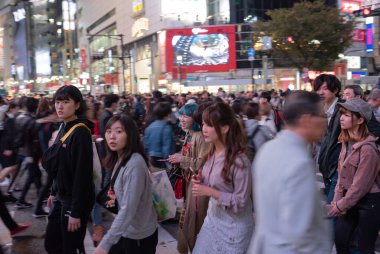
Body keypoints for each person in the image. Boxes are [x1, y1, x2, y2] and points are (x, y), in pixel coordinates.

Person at [248, 91, 332, 254]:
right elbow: (298, 233)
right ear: (306, 119)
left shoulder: (268, 148)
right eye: (321, 116)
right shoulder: (298, 162)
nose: (324, 122)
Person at [191, 102, 254, 254]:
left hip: (234, 228)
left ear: (224, 128)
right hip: (212, 220)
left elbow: (240, 202)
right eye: (203, 124)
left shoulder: (239, 161)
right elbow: (216, 184)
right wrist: (201, 180)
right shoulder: (212, 152)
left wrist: (209, 191)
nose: (204, 129)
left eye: (209, 125)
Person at [94, 115, 157, 254]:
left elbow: (128, 208)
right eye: (109, 131)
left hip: (139, 237)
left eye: (119, 131)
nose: (112, 136)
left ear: (130, 135)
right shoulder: (120, 157)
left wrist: (105, 244)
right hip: (126, 230)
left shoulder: (134, 163)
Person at [43, 85, 95, 254]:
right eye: (58, 101)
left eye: (66, 102)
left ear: (77, 105)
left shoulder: (80, 132)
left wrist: (75, 211)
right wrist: (53, 191)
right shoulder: (64, 127)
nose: (60, 106)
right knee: (52, 243)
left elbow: (82, 174)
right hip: (61, 196)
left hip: (73, 200)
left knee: (70, 247)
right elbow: (60, 167)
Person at [328, 98, 380, 253]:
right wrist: (337, 200)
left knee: (364, 247)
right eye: (341, 114)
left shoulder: (368, 149)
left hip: (370, 201)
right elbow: (341, 176)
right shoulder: (345, 142)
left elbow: (360, 186)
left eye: (347, 115)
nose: (341, 118)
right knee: (340, 239)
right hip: (349, 198)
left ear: (360, 119)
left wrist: (339, 205)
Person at [167, 103, 209, 254]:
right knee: (188, 220)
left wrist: (182, 159)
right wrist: (178, 159)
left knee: (195, 221)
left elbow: (202, 164)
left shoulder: (200, 137)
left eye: (186, 115)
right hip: (188, 183)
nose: (182, 119)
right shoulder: (189, 134)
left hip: (197, 186)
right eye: (181, 115)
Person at [314, 74, 342, 205]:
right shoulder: (319, 110)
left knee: (332, 207)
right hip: (325, 165)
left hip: (340, 167)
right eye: (318, 88)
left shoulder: (344, 109)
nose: (320, 92)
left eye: (325, 88)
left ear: (335, 90)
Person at [144, 101, 175, 168]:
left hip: (151, 158)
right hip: (162, 159)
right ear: (168, 114)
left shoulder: (150, 126)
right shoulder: (166, 128)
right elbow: (167, 148)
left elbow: (146, 145)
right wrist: (169, 164)